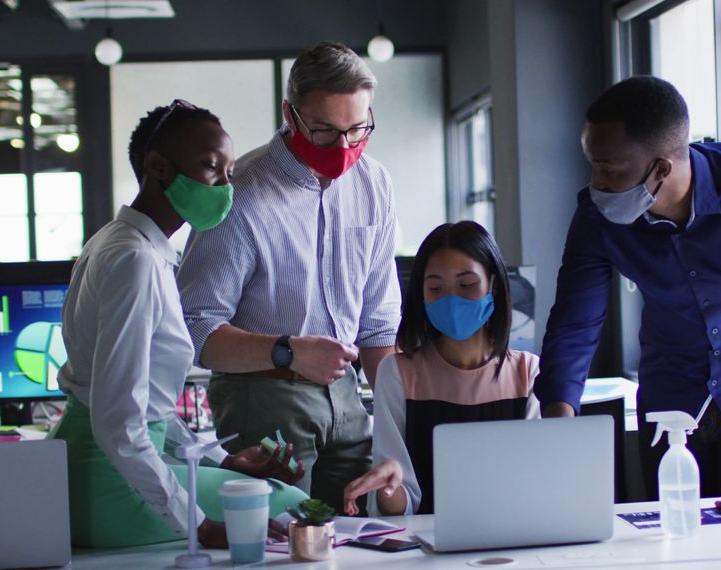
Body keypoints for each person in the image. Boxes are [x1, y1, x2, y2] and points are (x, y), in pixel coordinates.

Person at [536, 76, 721, 524]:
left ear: (662, 168)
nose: (596, 182)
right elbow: (575, 321)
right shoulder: (595, 215)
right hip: (669, 411)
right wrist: (558, 422)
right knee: (672, 545)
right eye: (593, 165)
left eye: (609, 169)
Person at [53, 100, 307, 549]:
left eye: (229, 172)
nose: (225, 186)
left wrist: (221, 460)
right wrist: (198, 525)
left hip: (89, 464)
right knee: (285, 503)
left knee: (260, 495)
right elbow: (120, 424)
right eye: (210, 167)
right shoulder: (135, 260)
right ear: (157, 167)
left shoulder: (121, 242)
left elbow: (145, 406)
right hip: (108, 482)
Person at [177, 42, 401, 514]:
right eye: (324, 131)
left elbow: (379, 324)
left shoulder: (374, 183)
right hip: (263, 396)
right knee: (280, 538)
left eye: (357, 129)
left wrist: (400, 423)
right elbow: (194, 327)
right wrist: (291, 351)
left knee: (358, 535)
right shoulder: (241, 193)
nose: (343, 148)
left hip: (349, 396)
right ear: (290, 114)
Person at [340, 221, 540, 517]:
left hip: (514, 532)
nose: (451, 299)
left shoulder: (527, 372)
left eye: (466, 284)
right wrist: (388, 488)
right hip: (425, 541)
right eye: (435, 288)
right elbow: (399, 508)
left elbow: (536, 482)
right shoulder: (398, 373)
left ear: (493, 286)